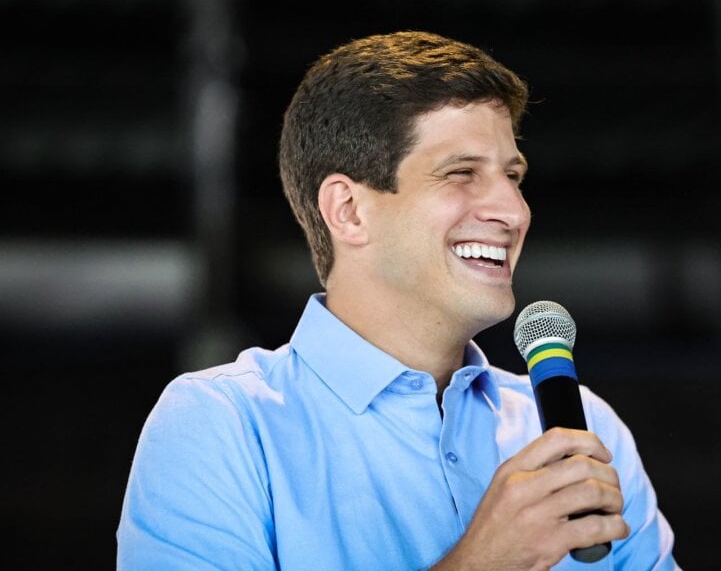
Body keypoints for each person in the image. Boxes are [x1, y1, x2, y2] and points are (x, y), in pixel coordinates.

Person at [117, 30, 677, 570]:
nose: (514, 212)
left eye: (514, 176)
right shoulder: (223, 425)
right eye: (461, 173)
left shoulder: (588, 432)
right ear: (348, 211)